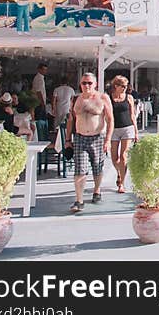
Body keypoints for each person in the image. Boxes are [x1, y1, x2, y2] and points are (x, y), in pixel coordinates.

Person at [64, 72, 114, 213]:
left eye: (89, 83)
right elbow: (70, 120)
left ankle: (97, 191)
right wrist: (68, 139)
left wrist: (108, 140)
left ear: (95, 84)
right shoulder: (75, 99)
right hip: (80, 137)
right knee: (80, 168)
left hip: (97, 137)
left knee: (97, 167)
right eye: (83, 83)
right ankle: (79, 200)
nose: (86, 86)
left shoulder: (103, 98)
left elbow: (110, 120)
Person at [109, 75, 138, 194]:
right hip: (114, 129)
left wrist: (136, 132)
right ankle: (119, 173)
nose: (125, 88)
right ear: (116, 86)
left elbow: (133, 116)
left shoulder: (129, 98)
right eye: (123, 86)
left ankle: (122, 183)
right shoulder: (109, 98)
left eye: (126, 86)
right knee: (114, 158)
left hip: (127, 128)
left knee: (123, 157)